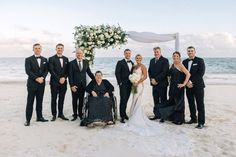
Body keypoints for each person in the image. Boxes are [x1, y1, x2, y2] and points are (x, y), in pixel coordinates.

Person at [159, 51, 191, 125]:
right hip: (172, 86)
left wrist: (184, 84)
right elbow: (169, 75)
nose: (175, 57)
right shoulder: (172, 65)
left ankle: (179, 120)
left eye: (177, 56)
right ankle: (172, 117)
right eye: (174, 56)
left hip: (178, 86)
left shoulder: (180, 65)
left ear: (179, 57)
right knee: (172, 101)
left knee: (179, 103)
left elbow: (188, 74)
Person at [24, 43, 48, 126]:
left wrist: (43, 78)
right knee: (30, 102)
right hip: (32, 84)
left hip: (42, 84)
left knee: (39, 101)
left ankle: (39, 117)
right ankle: (28, 120)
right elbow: (28, 71)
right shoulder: (28, 59)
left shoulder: (45, 59)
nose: (37, 50)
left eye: (39, 48)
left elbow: (46, 70)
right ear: (33, 49)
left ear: (41, 49)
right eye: (36, 48)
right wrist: (36, 78)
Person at [68, 48, 95, 121]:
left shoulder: (86, 62)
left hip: (83, 85)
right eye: (77, 53)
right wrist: (71, 85)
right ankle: (75, 115)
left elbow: (89, 72)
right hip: (74, 85)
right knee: (74, 100)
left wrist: (96, 79)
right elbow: (70, 75)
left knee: (81, 100)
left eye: (80, 53)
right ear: (75, 54)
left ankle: (80, 114)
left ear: (83, 54)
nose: (79, 54)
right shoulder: (71, 63)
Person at [183, 46, 206, 129]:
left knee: (200, 104)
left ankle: (201, 122)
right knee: (191, 103)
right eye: (188, 51)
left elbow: (201, 73)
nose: (190, 52)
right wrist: (186, 83)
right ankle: (193, 119)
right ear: (187, 52)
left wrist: (191, 81)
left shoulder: (200, 60)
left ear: (195, 52)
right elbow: (183, 74)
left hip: (198, 86)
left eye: (192, 51)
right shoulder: (184, 62)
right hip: (188, 87)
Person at [48, 43, 69, 121]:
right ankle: (54, 115)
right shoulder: (51, 58)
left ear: (63, 49)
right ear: (56, 49)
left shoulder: (66, 59)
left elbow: (68, 70)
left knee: (61, 98)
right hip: (54, 82)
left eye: (61, 48)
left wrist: (64, 78)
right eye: (58, 48)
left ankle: (61, 114)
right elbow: (51, 70)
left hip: (64, 82)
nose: (60, 49)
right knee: (54, 99)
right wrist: (58, 79)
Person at [148, 47, 169, 120]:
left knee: (163, 100)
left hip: (162, 84)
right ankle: (156, 115)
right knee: (155, 100)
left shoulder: (165, 60)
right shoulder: (151, 60)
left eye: (157, 52)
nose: (156, 53)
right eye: (155, 52)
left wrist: (156, 79)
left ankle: (163, 116)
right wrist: (151, 79)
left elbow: (164, 72)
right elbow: (149, 71)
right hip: (154, 84)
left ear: (160, 52)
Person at [115, 49, 134, 123]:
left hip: (130, 85)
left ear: (130, 54)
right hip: (123, 85)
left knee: (126, 100)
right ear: (124, 54)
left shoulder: (132, 63)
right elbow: (117, 73)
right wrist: (120, 83)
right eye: (126, 53)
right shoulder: (120, 62)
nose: (128, 55)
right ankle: (122, 116)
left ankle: (124, 114)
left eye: (129, 53)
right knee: (123, 100)